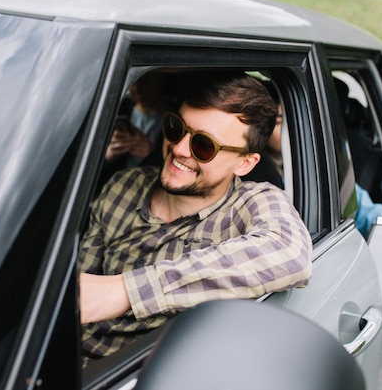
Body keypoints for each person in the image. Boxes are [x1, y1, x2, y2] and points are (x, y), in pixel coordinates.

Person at [78, 71, 313, 365]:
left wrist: (127, 291)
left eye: (203, 146)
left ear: (245, 162)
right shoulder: (124, 185)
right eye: (176, 128)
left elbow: (290, 254)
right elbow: (79, 286)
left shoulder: (253, 204)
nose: (178, 149)